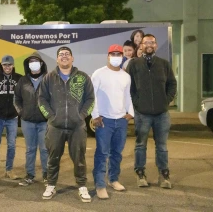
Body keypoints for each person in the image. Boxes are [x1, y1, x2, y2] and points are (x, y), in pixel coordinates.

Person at [38, 46, 95, 203]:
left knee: (79, 158)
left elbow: (91, 99)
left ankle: (82, 186)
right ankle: (51, 185)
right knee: (53, 157)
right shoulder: (49, 78)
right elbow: (41, 99)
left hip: (77, 127)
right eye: (61, 54)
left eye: (67, 54)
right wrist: (51, 116)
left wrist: (81, 115)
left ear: (72, 58)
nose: (64, 56)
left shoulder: (83, 77)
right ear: (57, 59)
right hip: (55, 126)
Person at [126, 34, 177, 189]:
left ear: (155, 45)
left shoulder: (164, 64)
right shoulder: (134, 64)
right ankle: (140, 173)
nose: (149, 44)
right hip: (142, 113)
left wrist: (166, 100)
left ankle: (164, 175)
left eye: (152, 42)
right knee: (140, 145)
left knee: (162, 146)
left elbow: (172, 84)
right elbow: (129, 86)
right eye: (146, 42)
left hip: (162, 114)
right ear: (141, 45)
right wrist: (137, 103)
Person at [91, 44, 134, 199]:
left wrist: (130, 114)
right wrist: (95, 116)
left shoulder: (125, 76)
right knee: (102, 153)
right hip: (104, 121)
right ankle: (100, 184)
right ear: (108, 56)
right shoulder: (99, 74)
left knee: (117, 153)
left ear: (122, 56)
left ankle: (113, 179)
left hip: (121, 121)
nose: (116, 56)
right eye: (113, 54)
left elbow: (128, 96)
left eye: (119, 54)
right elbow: (92, 96)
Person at [14, 52, 48, 186]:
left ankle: (47, 175)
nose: (33, 63)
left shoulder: (48, 79)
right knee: (30, 149)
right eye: (31, 61)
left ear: (41, 63)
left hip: (44, 122)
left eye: (36, 61)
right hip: (27, 121)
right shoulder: (23, 80)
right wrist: (21, 112)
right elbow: (16, 99)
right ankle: (29, 175)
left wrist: (49, 115)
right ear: (28, 64)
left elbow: (54, 99)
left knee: (45, 149)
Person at [0, 55, 22, 184]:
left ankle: (9, 170)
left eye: (9, 65)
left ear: (13, 66)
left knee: (11, 145)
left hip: (12, 118)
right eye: (5, 65)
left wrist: (19, 113)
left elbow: (22, 97)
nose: (7, 67)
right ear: (1, 65)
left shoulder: (18, 78)